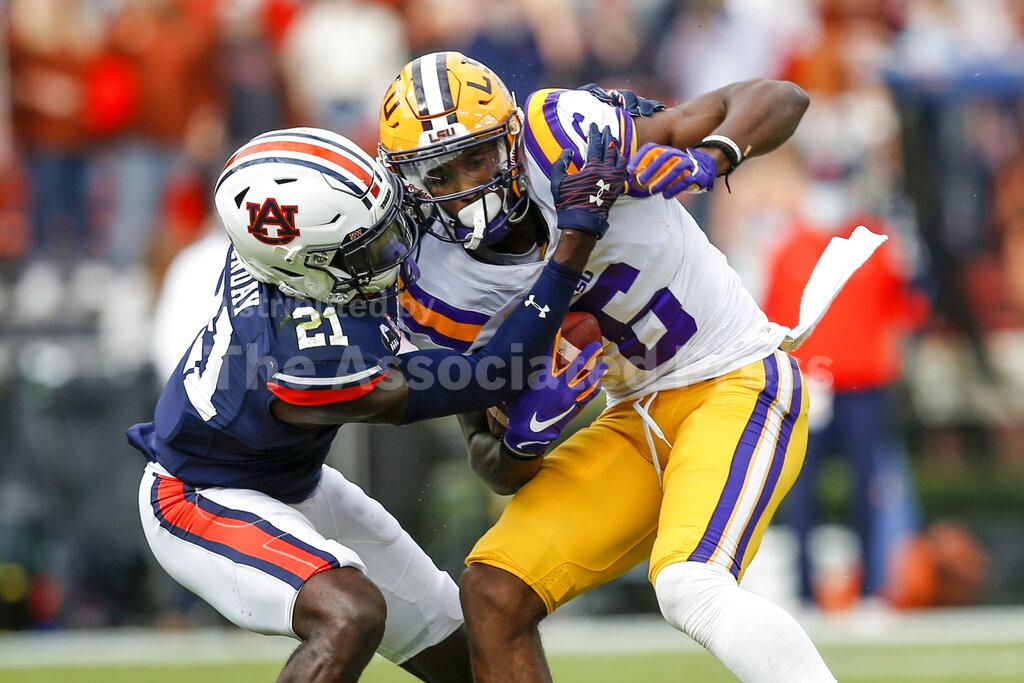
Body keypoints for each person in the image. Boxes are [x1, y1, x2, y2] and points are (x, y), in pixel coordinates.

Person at [379, 52, 839, 682]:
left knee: (690, 584)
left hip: (734, 380)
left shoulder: (560, 134)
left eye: (477, 159)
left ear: (511, 141)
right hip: (634, 421)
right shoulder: (436, 282)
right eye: (437, 173)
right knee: (492, 593)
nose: (463, 186)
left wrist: (709, 159)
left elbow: (779, 95)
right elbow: (491, 464)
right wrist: (523, 438)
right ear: (405, 181)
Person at [126, 125, 621, 681]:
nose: (394, 250)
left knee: (468, 660)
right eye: (368, 247)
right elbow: (487, 375)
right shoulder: (304, 362)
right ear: (304, 265)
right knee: (349, 613)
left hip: (297, 480)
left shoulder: (282, 251)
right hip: (200, 494)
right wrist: (573, 244)